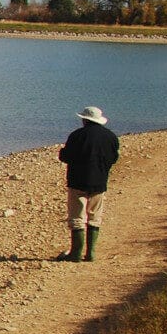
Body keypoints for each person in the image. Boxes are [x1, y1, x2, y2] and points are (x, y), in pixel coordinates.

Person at [57, 105, 119, 262]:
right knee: (94, 217)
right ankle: (90, 253)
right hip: (99, 182)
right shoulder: (111, 137)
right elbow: (113, 159)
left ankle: (75, 253)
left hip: (77, 181)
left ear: (85, 120)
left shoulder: (77, 136)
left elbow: (65, 156)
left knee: (77, 217)